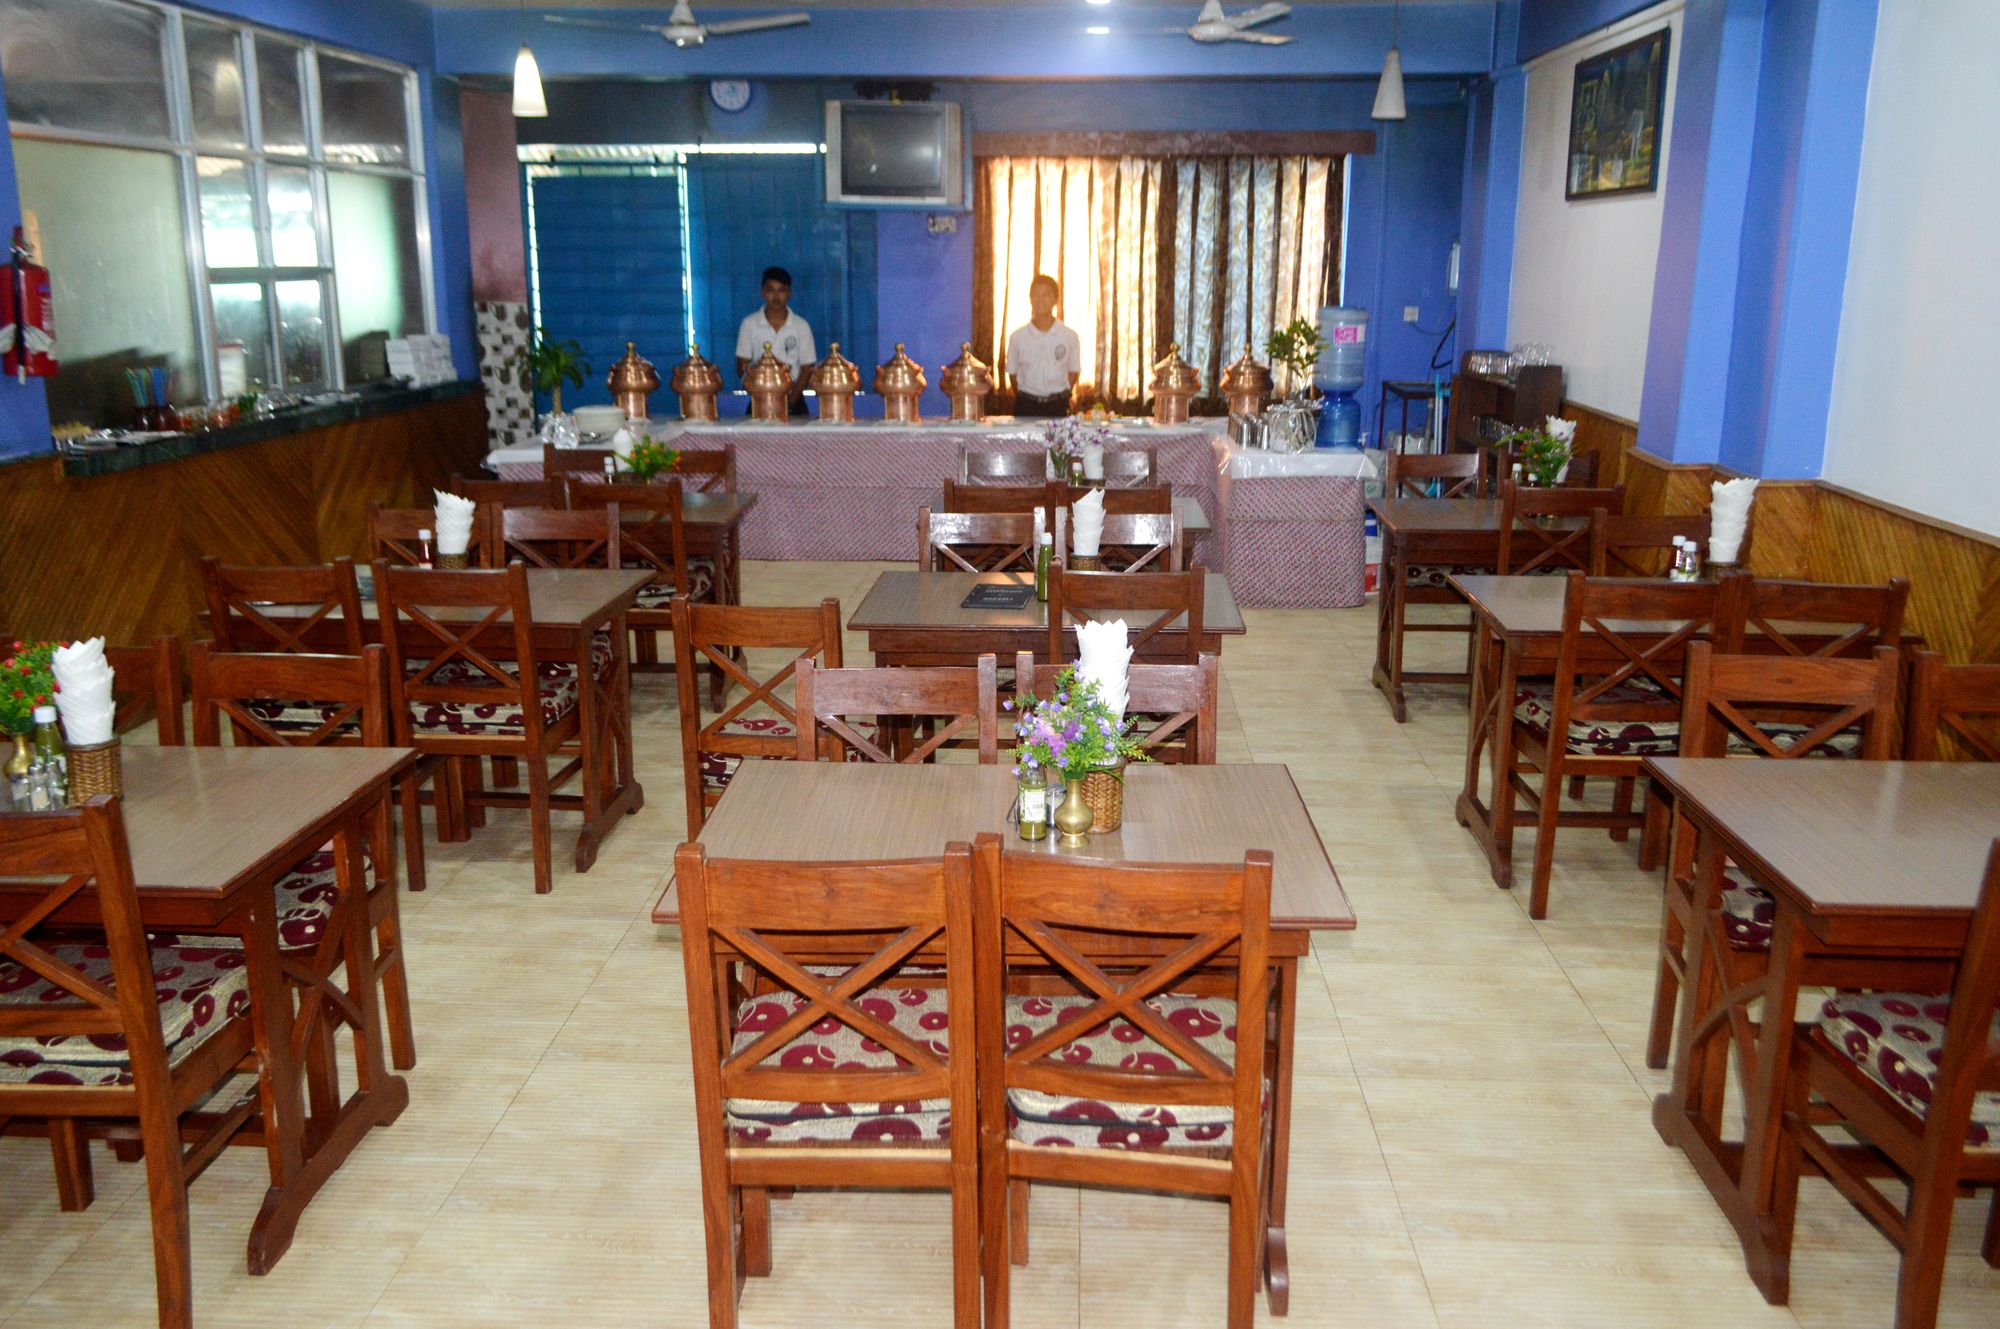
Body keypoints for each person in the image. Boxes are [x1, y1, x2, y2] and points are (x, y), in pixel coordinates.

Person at [734, 266, 816, 415]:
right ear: (762, 292)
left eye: (782, 290)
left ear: (789, 293)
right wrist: (758, 392)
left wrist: (791, 401)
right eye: (770, 290)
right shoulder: (749, 324)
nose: (776, 296)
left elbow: (807, 369)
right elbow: (742, 366)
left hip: (794, 398)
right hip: (759, 397)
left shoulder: (801, 325)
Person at [1006, 274, 1081, 418]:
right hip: (1026, 406)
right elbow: (1012, 374)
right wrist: (1028, 396)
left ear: (1055, 300)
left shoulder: (1069, 336)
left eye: (1046, 295)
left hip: (1058, 406)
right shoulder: (1017, 337)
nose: (1040, 300)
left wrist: (1059, 395)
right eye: (1035, 294)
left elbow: (1073, 371)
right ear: (1030, 299)